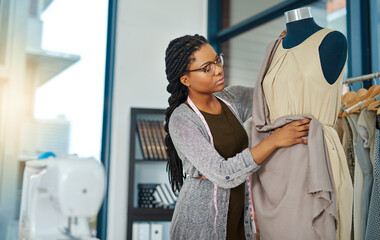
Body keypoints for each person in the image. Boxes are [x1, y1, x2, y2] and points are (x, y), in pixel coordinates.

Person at [164, 34, 311, 240]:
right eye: (207, 68)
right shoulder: (182, 120)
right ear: (185, 79)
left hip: (239, 219)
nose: (218, 69)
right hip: (199, 226)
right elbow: (223, 173)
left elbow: (272, 92)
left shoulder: (232, 99)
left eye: (217, 60)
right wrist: (275, 140)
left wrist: (282, 52)